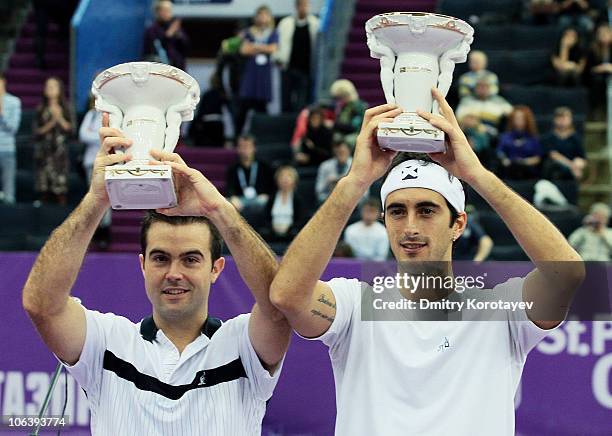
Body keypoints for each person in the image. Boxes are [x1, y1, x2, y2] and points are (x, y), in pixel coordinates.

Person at [270, 91, 585, 435]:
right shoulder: (355, 306)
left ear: (459, 224)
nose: (410, 228)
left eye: (426, 210)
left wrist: (477, 175)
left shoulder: (498, 309)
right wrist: (354, 183)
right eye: (397, 211)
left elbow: (566, 274)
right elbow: (288, 295)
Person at [22, 113, 291, 435]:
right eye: (161, 258)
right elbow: (42, 305)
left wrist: (219, 211)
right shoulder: (107, 341)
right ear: (142, 265)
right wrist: (96, 200)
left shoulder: (242, 343)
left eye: (191, 260)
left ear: (216, 269)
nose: (174, 273)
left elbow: (279, 306)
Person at [235, 5, 278, 137]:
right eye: (260, 14)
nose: (262, 18)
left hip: (263, 77)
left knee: (262, 109)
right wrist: (262, 47)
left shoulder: (272, 32)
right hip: (250, 77)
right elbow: (244, 50)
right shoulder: (248, 32)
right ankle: (238, 137)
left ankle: (263, 137)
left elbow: (272, 49)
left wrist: (254, 46)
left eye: (265, 15)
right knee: (243, 108)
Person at [33, 76, 74, 205]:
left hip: (60, 153)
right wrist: (51, 123)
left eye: (53, 86)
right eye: (48, 86)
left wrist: (59, 118)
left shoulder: (66, 108)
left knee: (60, 188)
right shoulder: (41, 109)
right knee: (44, 187)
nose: (50, 89)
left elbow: (71, 130)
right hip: (44, 152)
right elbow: (36, 131)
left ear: (59, 90)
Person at [275, 0, 320, 113]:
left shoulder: (315, 24)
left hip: (305, 69)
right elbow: (278, 43)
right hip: (288, 67)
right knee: (286, 99)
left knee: (302, 101)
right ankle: (285, 124)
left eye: (306, 5)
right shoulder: (285, 23)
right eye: (302, 5)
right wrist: (278, 58)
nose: (304, 8)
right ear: (297, 6)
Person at [78, 97, 111, 247]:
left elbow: (111, 137)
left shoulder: (113, 115)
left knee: (106, 197)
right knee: (92, 196)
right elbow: (82, 135)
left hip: (108, 162)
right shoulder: (91, 114)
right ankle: (94, 231)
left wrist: (98, 135)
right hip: (90, 162)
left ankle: (105, 230)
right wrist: (100, 137)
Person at [225, 134, 275, 220]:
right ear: (238, 149)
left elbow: (272, 187)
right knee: (228, 203)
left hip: (259, 198)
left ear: (254, 148)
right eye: (242, 147)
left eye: (248, 147)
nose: (245, 150)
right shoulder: (233, 168)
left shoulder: (264, 166)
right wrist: (233, 197)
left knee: (263, 202)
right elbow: (230, 188)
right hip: (241, 200)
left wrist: (267, 195)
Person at [497, 105, 544, 179]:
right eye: (516, 118)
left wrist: (523, 162)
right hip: (509, 169)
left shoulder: (533, 138)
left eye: (521, 118)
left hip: (527, 170)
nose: (518, 120)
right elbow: (500, 152)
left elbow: (537, 158)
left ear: (527, 119)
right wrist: (504, 160)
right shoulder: (506, 136)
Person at [262, 165, 306, 241]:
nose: (285, 179)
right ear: (277, 180)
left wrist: (289, 228)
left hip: (291, 233)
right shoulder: (272, 198)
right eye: (282, 176)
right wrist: (272, 227)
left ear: (294, 180)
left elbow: (301, 220)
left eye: (289, 176)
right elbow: (265, 218)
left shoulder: (298, 199)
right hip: (272, 232)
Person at [541, 106, 586, 181]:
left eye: (565, 118)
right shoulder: (548, 138)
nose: (562, 121)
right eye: (560, 118)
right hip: (553, 172)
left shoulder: (575, 138)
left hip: (571, 172)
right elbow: (554, 155)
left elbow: (582, 157)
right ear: (555, 120)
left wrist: (579, 164)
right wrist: (572, 167)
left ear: (570, 119)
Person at [143, 0, 190, 70]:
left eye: (169, 10)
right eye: (164, 10)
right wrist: (168, 35)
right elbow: (154, 48)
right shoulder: (152, 29)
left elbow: (186, 47)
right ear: (157, 12)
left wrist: (179, 36)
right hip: (160, 68)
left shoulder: (176, 28)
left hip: (178, 67)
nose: (167, 13)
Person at [188, 74, 229, 147]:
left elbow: (201, 111)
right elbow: (227, 113)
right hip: (218, 124)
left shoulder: (207, 95)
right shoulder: (222, 95)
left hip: (207, 124)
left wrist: (197, 122)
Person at [0, 72, 21, 204]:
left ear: (4, 82)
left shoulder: (14, 102)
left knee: (9, 194)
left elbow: (13, 128)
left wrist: (2, 114)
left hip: (7, 150)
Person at [329, 79, 367, 146]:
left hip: (357, 133)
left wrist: (334, 125)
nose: (339, 100)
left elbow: (354, 127)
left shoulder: (358, 107)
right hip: (344, 132)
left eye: (341, 97)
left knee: (348, 140)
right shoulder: (343, 106)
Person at [585, 22, 612, 117]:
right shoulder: (593, 49)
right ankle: (597, 110)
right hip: (598, 75)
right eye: (601, 34)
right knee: (597, 81)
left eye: (606, 33)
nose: (604, 36)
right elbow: (588, 68)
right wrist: (603, 68)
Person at [315, 138, 352, 204]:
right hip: (329, 201)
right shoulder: (325, 166)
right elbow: (318, 192)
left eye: (343, 152)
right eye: (339, 152)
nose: (341, 155)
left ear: (349, 151)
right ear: (334, 152)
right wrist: (328, 182)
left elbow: (365, 195)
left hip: (351, 202)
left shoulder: (357, 165)